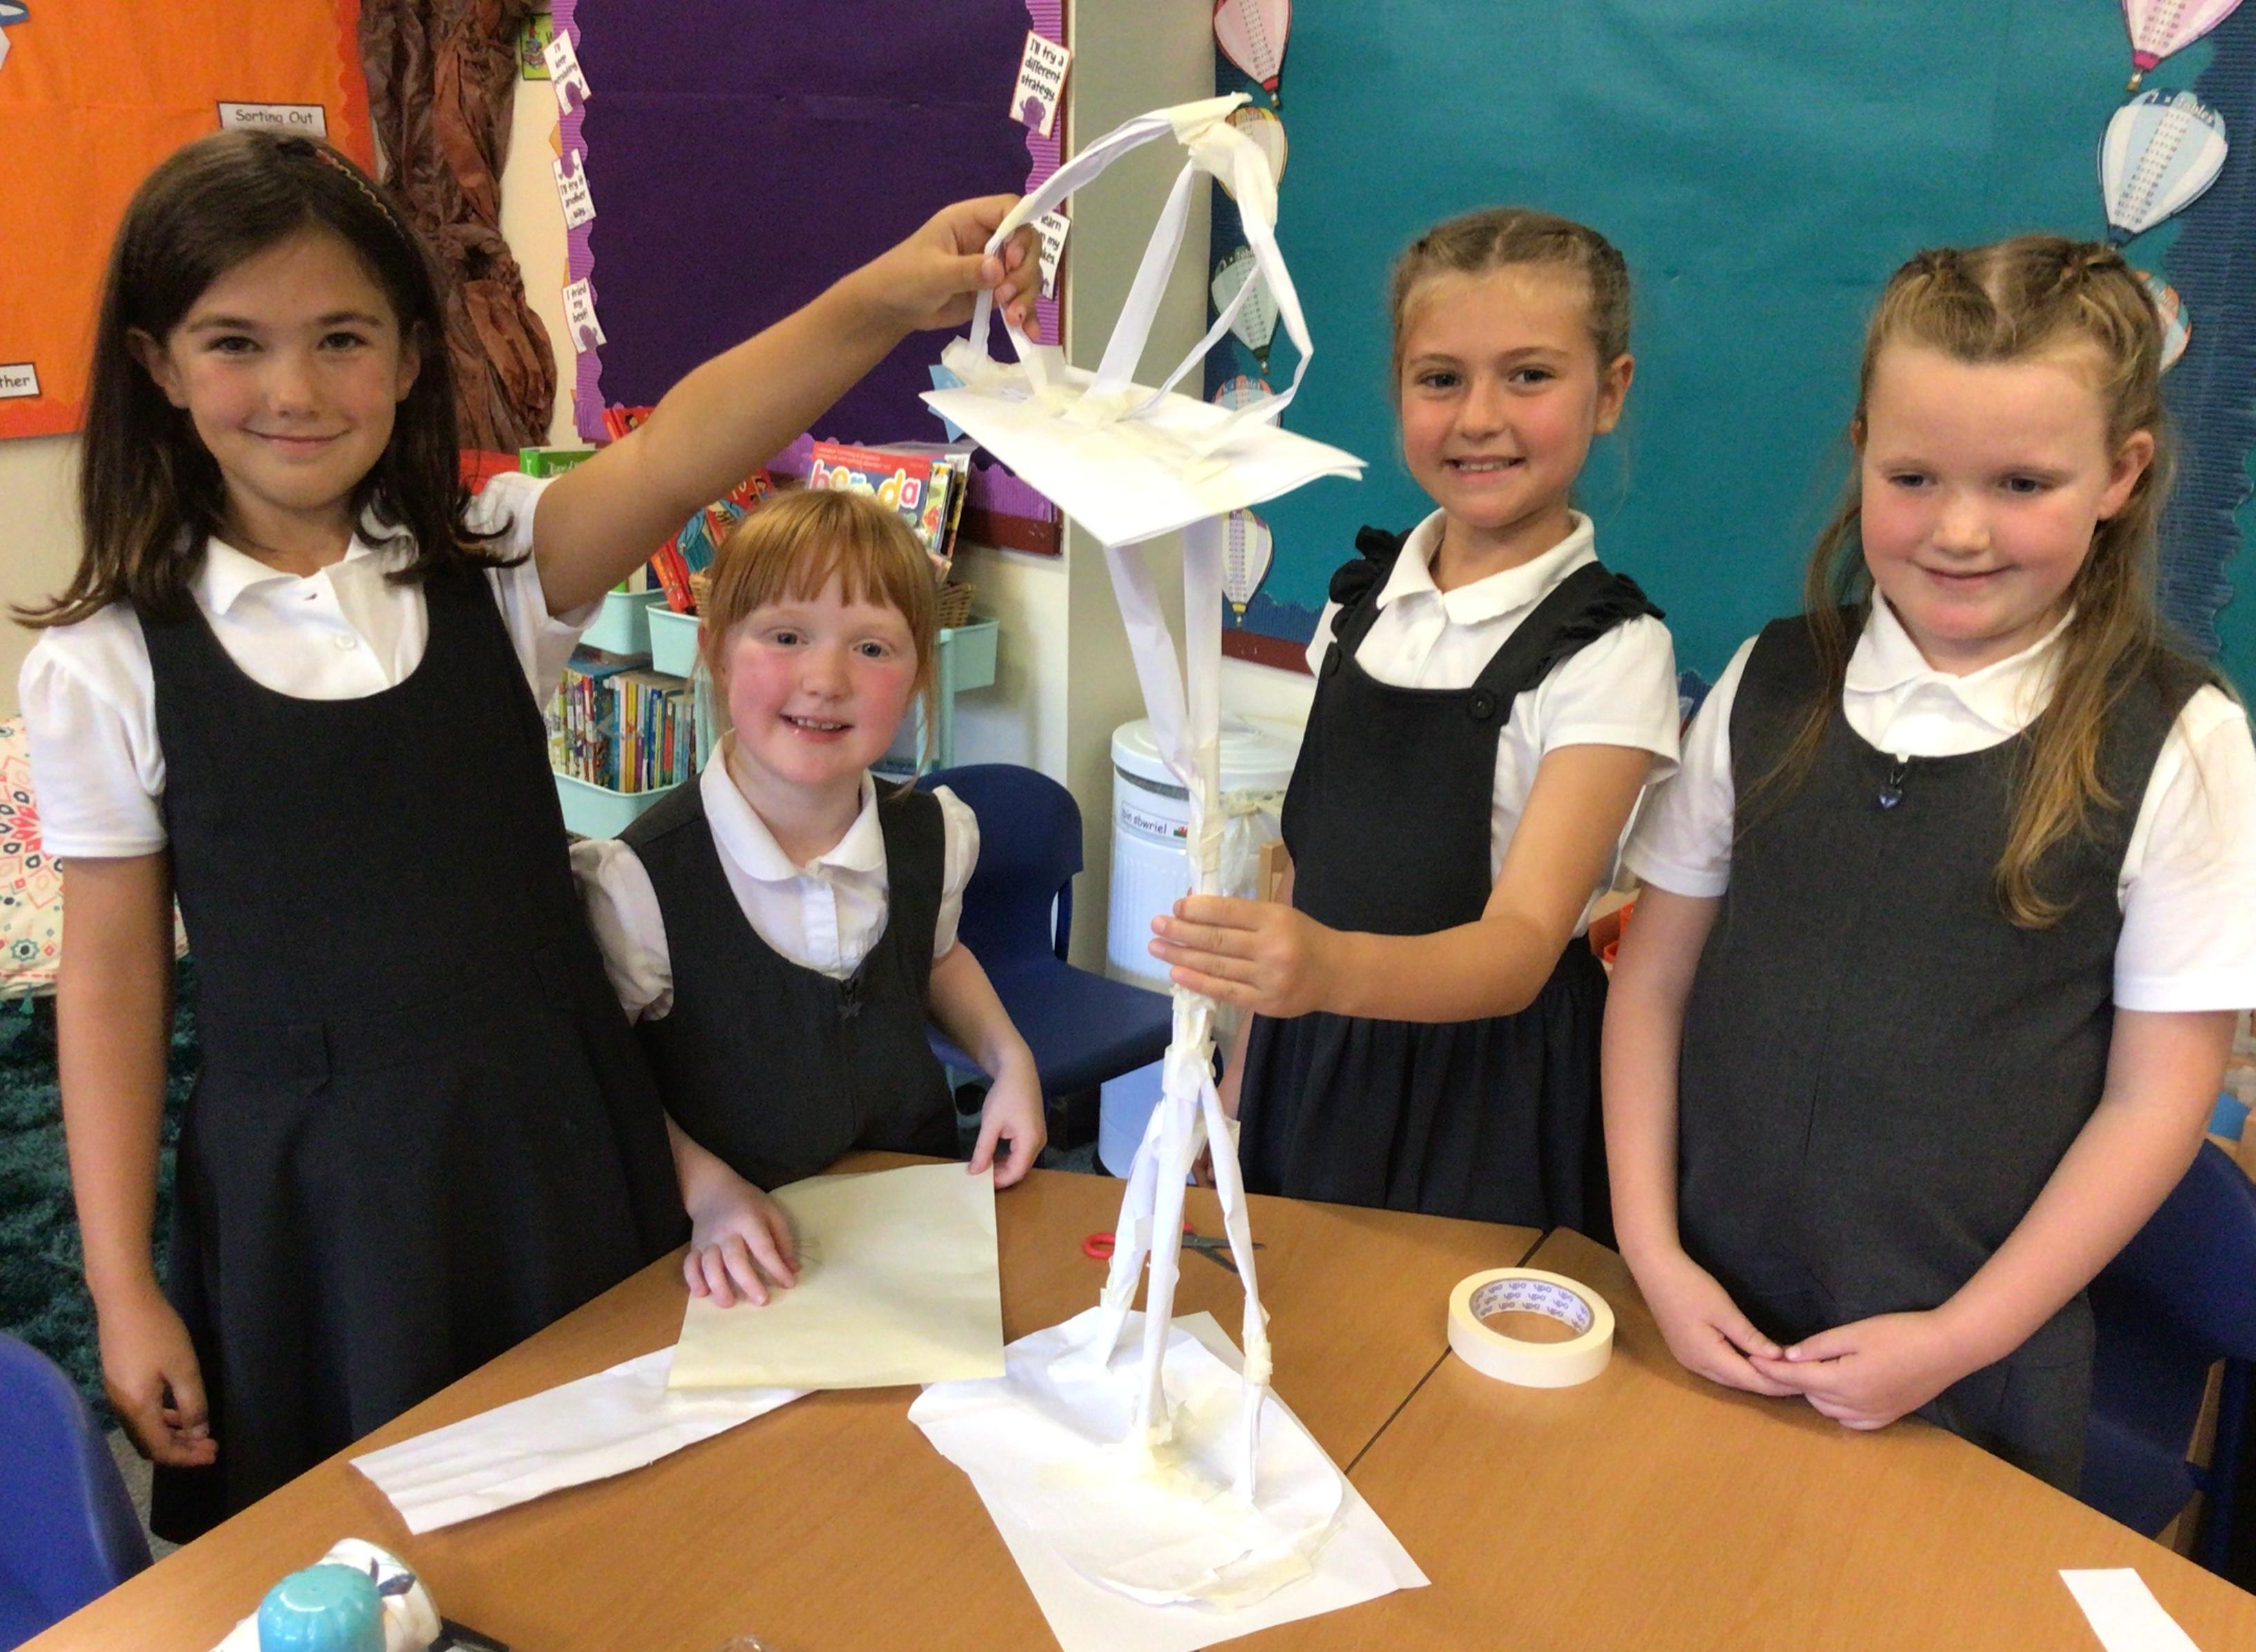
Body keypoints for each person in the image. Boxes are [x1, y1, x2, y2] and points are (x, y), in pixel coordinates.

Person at [21, 126, 1038, 1537]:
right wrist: (121, 1281)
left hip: (557, 1145)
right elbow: (113, 979)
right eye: (235, 343)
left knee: (616, 1512)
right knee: (369, 1539)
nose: (294, 390)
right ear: (156, 364)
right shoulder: (107, 662)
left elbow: (679, 450)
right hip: (323, 1200)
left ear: (408, 356)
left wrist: (880, 297)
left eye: (341, 339)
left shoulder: (489, 564)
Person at [1604, 236, 2256, 1488]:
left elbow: (2154, 1104)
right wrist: (1651, 1250)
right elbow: (1653, 980)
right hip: (1696, 1310)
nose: (1959, 530)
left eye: (2021, 482)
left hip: (1960, 1372)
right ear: (1860, 450)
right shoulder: (1769, 678)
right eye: (1912, 476)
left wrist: (1959, 1338)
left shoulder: (2182, 741)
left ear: (2120, 474)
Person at [1149, 208, 1679, 1231]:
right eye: (1441, 379)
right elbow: (1305, 870)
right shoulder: (1360, 607)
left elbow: (1521, 946)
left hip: (1483, 1095)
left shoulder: (1613, 652)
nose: (1480, 417)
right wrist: (1241, 1089)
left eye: (1530, 376)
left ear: (1609, 391)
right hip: (1311, 1055)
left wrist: (1327, 968)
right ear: (1398, 389)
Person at [574, 489, 1046, 1308]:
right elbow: (598, 1077)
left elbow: (937, 957)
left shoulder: (932, 833)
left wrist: (1010, 1060)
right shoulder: (637, 882)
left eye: (872, 647)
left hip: (907, 1213)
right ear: (719, 652)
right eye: (787, 636)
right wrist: (708, 1192)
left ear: (917, 676)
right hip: (732, 1259)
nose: (826, 680)